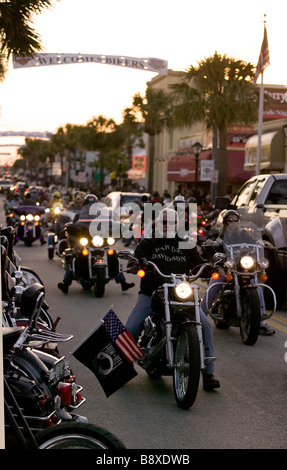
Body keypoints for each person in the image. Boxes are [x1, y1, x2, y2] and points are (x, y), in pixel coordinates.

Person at [125, 207, 221, 391]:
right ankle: (124, 365)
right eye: (164, 222)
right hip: (152, 293)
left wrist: (211, 269)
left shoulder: (185, 244)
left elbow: (198, 262)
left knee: (205, 325)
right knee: (131, 326)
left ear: (178, 225)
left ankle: (208, 374)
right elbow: (136, 257)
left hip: (181, 293)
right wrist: (134, 263)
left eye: (172, 222)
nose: (168, 226)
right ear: (158, 224)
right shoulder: (149, 243)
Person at [202, 209, 275, 335]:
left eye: (236, 221)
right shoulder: (220, 235)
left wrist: (263, 242)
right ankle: (199, 317)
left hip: (240, 266)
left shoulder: (242, 234)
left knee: (256, 285)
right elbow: (213, 243)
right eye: (230, 220)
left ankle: (261, 321)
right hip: (225, 267)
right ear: (225, 222)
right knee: (214, 286)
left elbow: (254, 241)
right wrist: (210, 242)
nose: (233, 223)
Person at [57, 194, 135, 294]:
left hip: (99, 240)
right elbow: (73, 227)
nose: (91, 207)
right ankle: (66, 283)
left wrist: (121, 226)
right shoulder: (78, 216)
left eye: (93, 205)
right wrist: (69, 227)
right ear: (85, 205)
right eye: (89, 205)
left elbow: (110, 224)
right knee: (73, 255)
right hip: (84, 241)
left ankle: (123, 282)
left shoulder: (103, 216)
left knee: (113, 255)